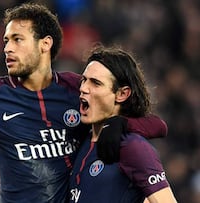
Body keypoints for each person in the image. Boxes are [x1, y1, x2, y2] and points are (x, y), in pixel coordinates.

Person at [0, 3, 168, 202]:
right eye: (6, 41)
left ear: (45, 44)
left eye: (17, 40)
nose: (7, 48)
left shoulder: (75, 87)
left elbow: (158, 125)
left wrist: (121, 123)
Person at [68, 45, 177, 203]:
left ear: (122, 94)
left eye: (96, 83)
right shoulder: (82, 138)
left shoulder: (133, 146)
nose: (83, 88)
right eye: (84, 80)